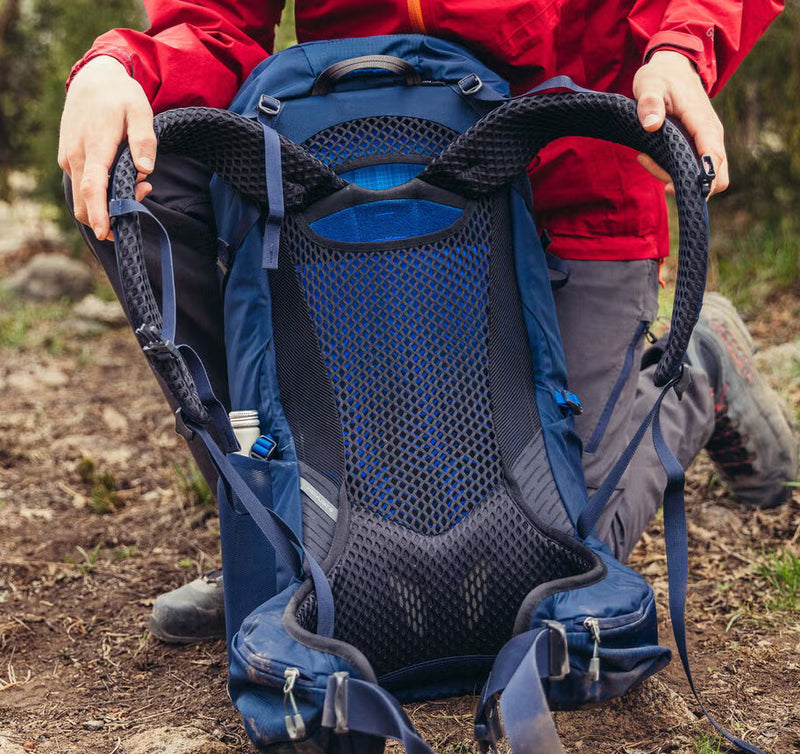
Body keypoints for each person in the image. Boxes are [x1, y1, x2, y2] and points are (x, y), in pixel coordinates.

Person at [59, 0, 797, 644]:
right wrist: (118, 68)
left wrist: (677, 50)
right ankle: (277, 539)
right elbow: (214, 20)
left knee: (556, 557)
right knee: (128, 160)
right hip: (375, 199)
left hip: (575, 190)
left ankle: (702, 364)